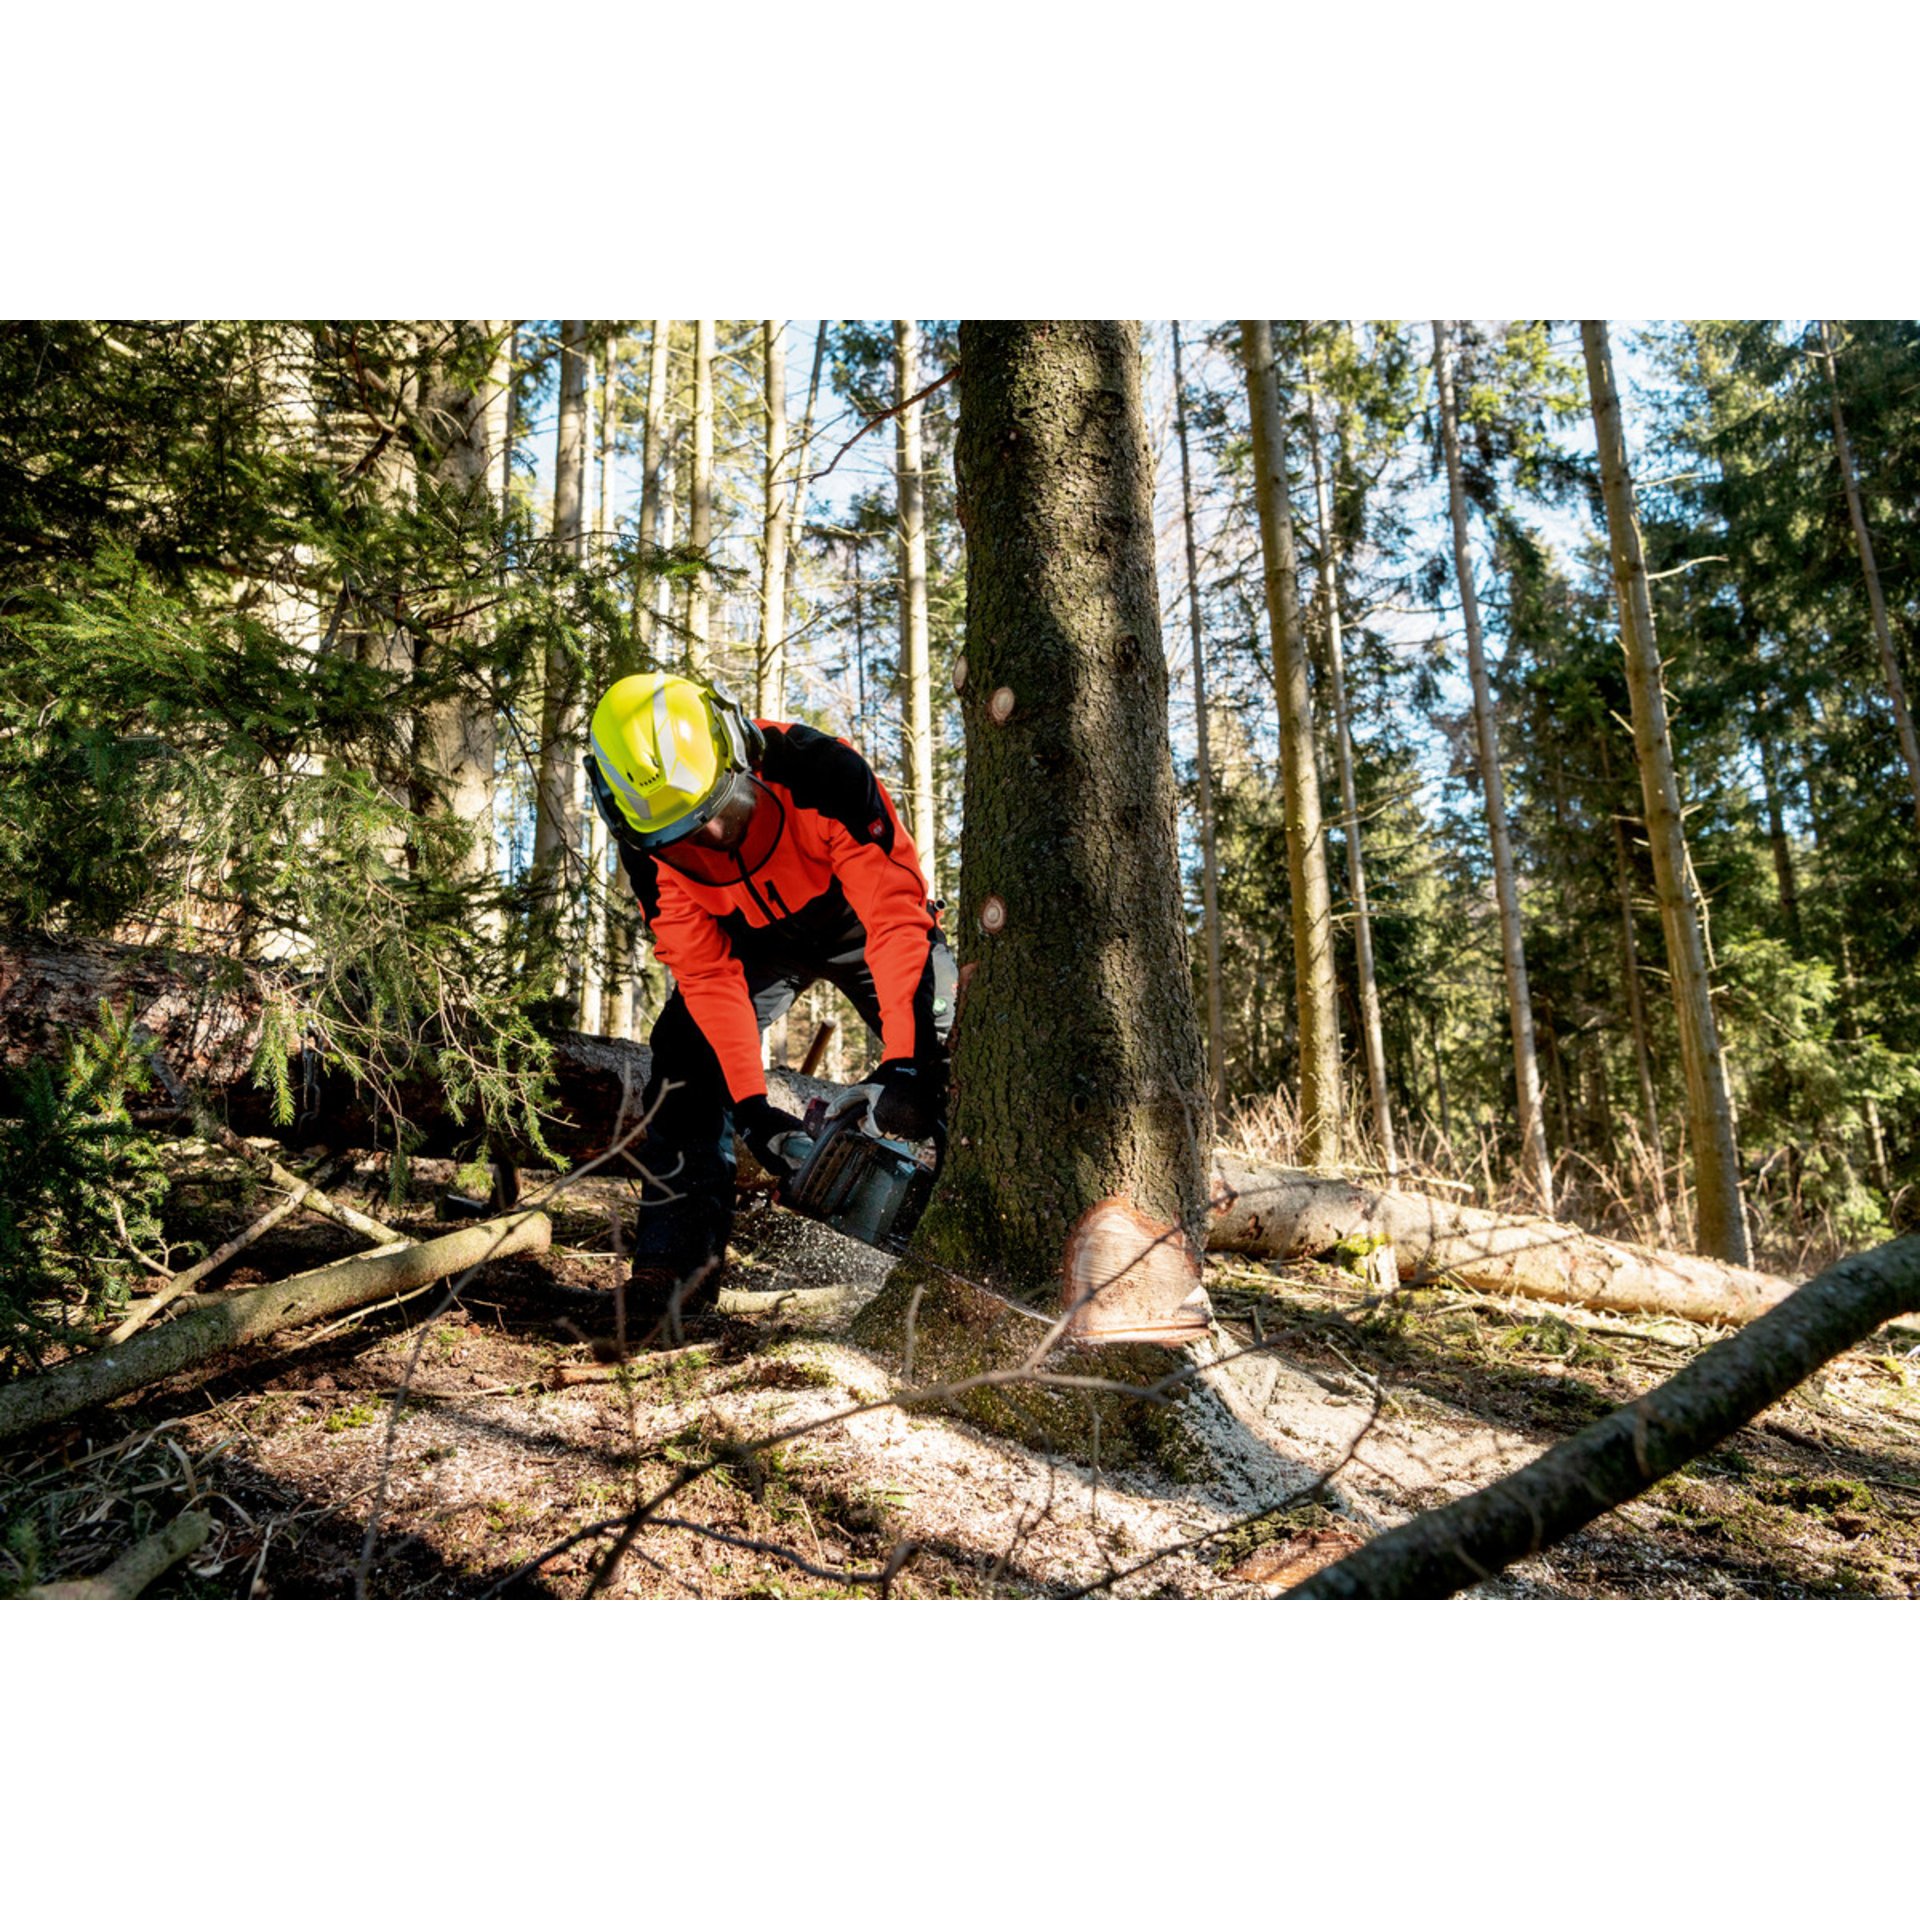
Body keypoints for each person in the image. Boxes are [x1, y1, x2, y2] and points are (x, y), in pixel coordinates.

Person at [586, 672, 955, 1325]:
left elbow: (896, 921)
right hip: (750, 941)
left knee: (954, 1044)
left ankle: (980, 1260)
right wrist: (754, 1108)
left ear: (741, 751)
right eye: (684, 840)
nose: (714, 842)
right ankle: (673, 1272)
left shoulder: (821, 771)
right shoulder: (645, 846)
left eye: (724, 813)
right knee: (681, 1060)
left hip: (856, 918)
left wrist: (907, 1062)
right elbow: (705, 974)